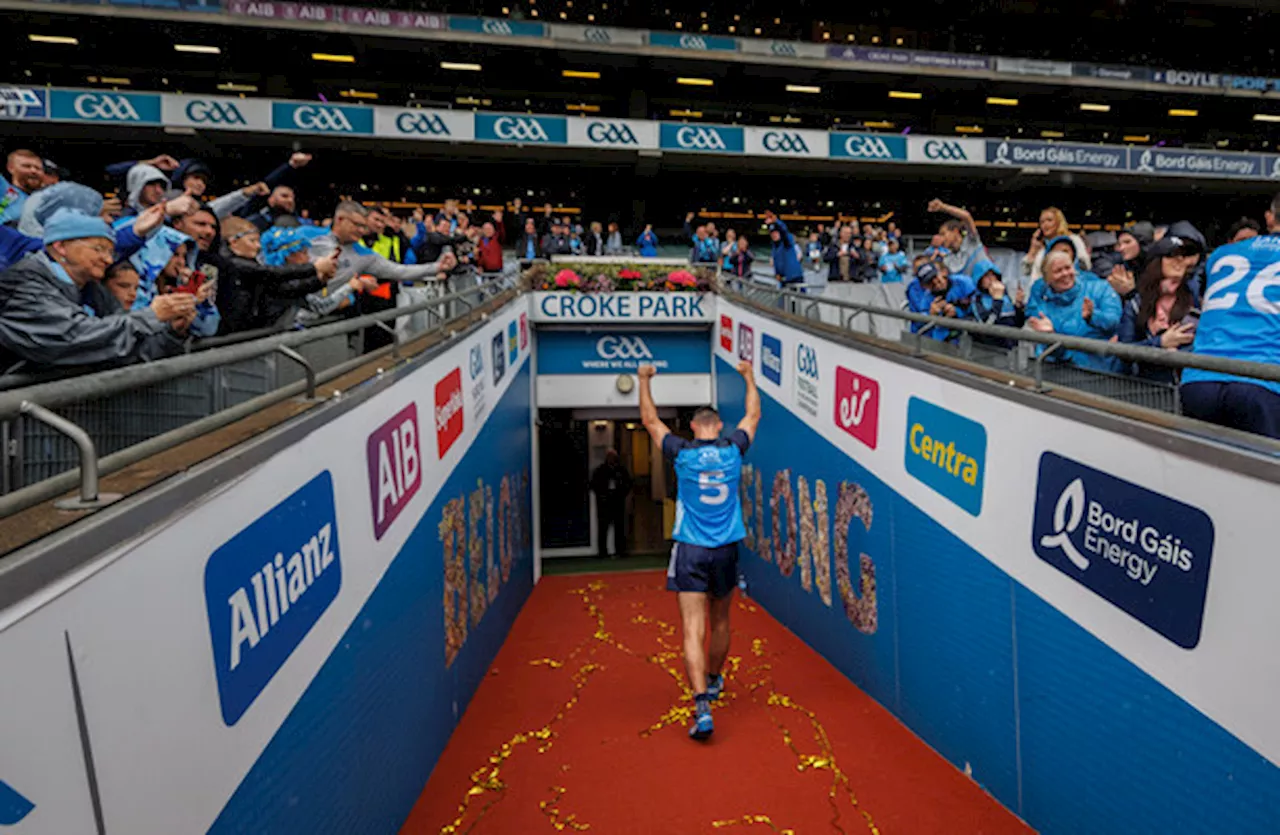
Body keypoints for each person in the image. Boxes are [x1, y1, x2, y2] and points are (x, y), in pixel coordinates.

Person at [638, 360, 760, 741]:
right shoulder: (733, 450)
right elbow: (753, 413)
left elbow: (650, 420)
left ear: (692, 427)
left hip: (690, 549)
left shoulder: (682, 452)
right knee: (721, 621)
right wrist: (748, 376)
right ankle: (714, 678)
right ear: (719, 425)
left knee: (693, 628)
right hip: (726, 549)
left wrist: (643, 380)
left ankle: (702, 707)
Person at [0, 209, 193, 371]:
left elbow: (125, 348)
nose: (108, 260)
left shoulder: (93, 289)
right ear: (61, 247)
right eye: (98, 249)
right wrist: (151, 316)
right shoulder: (23, 283)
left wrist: (171, 332)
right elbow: (73, 338)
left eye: (110, 252)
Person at [1180, 194, 1280, 439]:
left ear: (1269, 217)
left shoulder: (1220, 255)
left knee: (1205, 469)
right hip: (1262, 381)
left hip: (1200, 379)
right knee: (1263, 474)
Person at [1023, 249, 1123, 372]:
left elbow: (1115, 322)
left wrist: (1093, 316)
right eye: (1058, 271)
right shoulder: (1044, 307)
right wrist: (1051, 337)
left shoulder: (1100, 288)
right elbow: (1056, 354)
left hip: (1101, 371)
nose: (1065, 274)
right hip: (1062, 374)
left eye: (1068, 268)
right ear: (1047, 279)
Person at [1116, 236, 1198, 382]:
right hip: (1149, 390)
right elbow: (1123, 352)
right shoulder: (1136, 305)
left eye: (1183, 256)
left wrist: (1180, 353)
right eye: (1172, 255)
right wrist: (1160, 343)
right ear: (1156, 263)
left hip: (1189, 388)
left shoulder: (1195, 298)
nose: (1179, 260)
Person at [905, 261, 976, 342]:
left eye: (935, 277)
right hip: (945, 340)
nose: (935, 283)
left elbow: (979, 306)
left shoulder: (963, 283)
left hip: (970, 335)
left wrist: (957, 311)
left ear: (941, 273)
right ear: (925, 286)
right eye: (930, 282)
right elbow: (917, 326)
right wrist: (930, 315)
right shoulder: (927, 299)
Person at [1023, 206, 1090, 281]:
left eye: (1049, 220)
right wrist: (1033, 249)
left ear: (1059, 222)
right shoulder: (1041, 246)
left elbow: (1085, 265)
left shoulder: (1073, 239)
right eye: (1042, 222)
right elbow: (1025, 272)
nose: (1045, 224)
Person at [928, 198, 988, 277]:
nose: (941, 238)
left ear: (955, 231)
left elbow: (966, 216)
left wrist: (942, 207)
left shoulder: (971, 241)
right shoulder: (947, 259)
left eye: (943, 234)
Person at [589, 449, 632, 559]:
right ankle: (602, 552)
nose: (611, 459)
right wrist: (602, 496)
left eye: (613, 457)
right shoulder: (600, 471)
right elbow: (594, 485)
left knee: (620, 528)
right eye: (610, 457)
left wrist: (621, 494)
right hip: (604, 504)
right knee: (603, 528)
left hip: (618, 502)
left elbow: (628, 484)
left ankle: (620, 551)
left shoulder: (621, 470)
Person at [1, 149, 45, 226]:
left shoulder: (47, 201)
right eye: (26, 166)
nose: (33, 170)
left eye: (38, 168)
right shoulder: (5, 191)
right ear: (11, 168)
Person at [763, 210, 804, 288]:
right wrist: (777, 274)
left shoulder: (786, 241)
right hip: (784, 279)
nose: (774, 235)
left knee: (799, 298)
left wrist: (776, 221)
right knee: (784, 299)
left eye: (776, 233)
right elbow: (777, 262)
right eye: (772, 233)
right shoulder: (774, 246)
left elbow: (785, 231)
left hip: (794, 277)